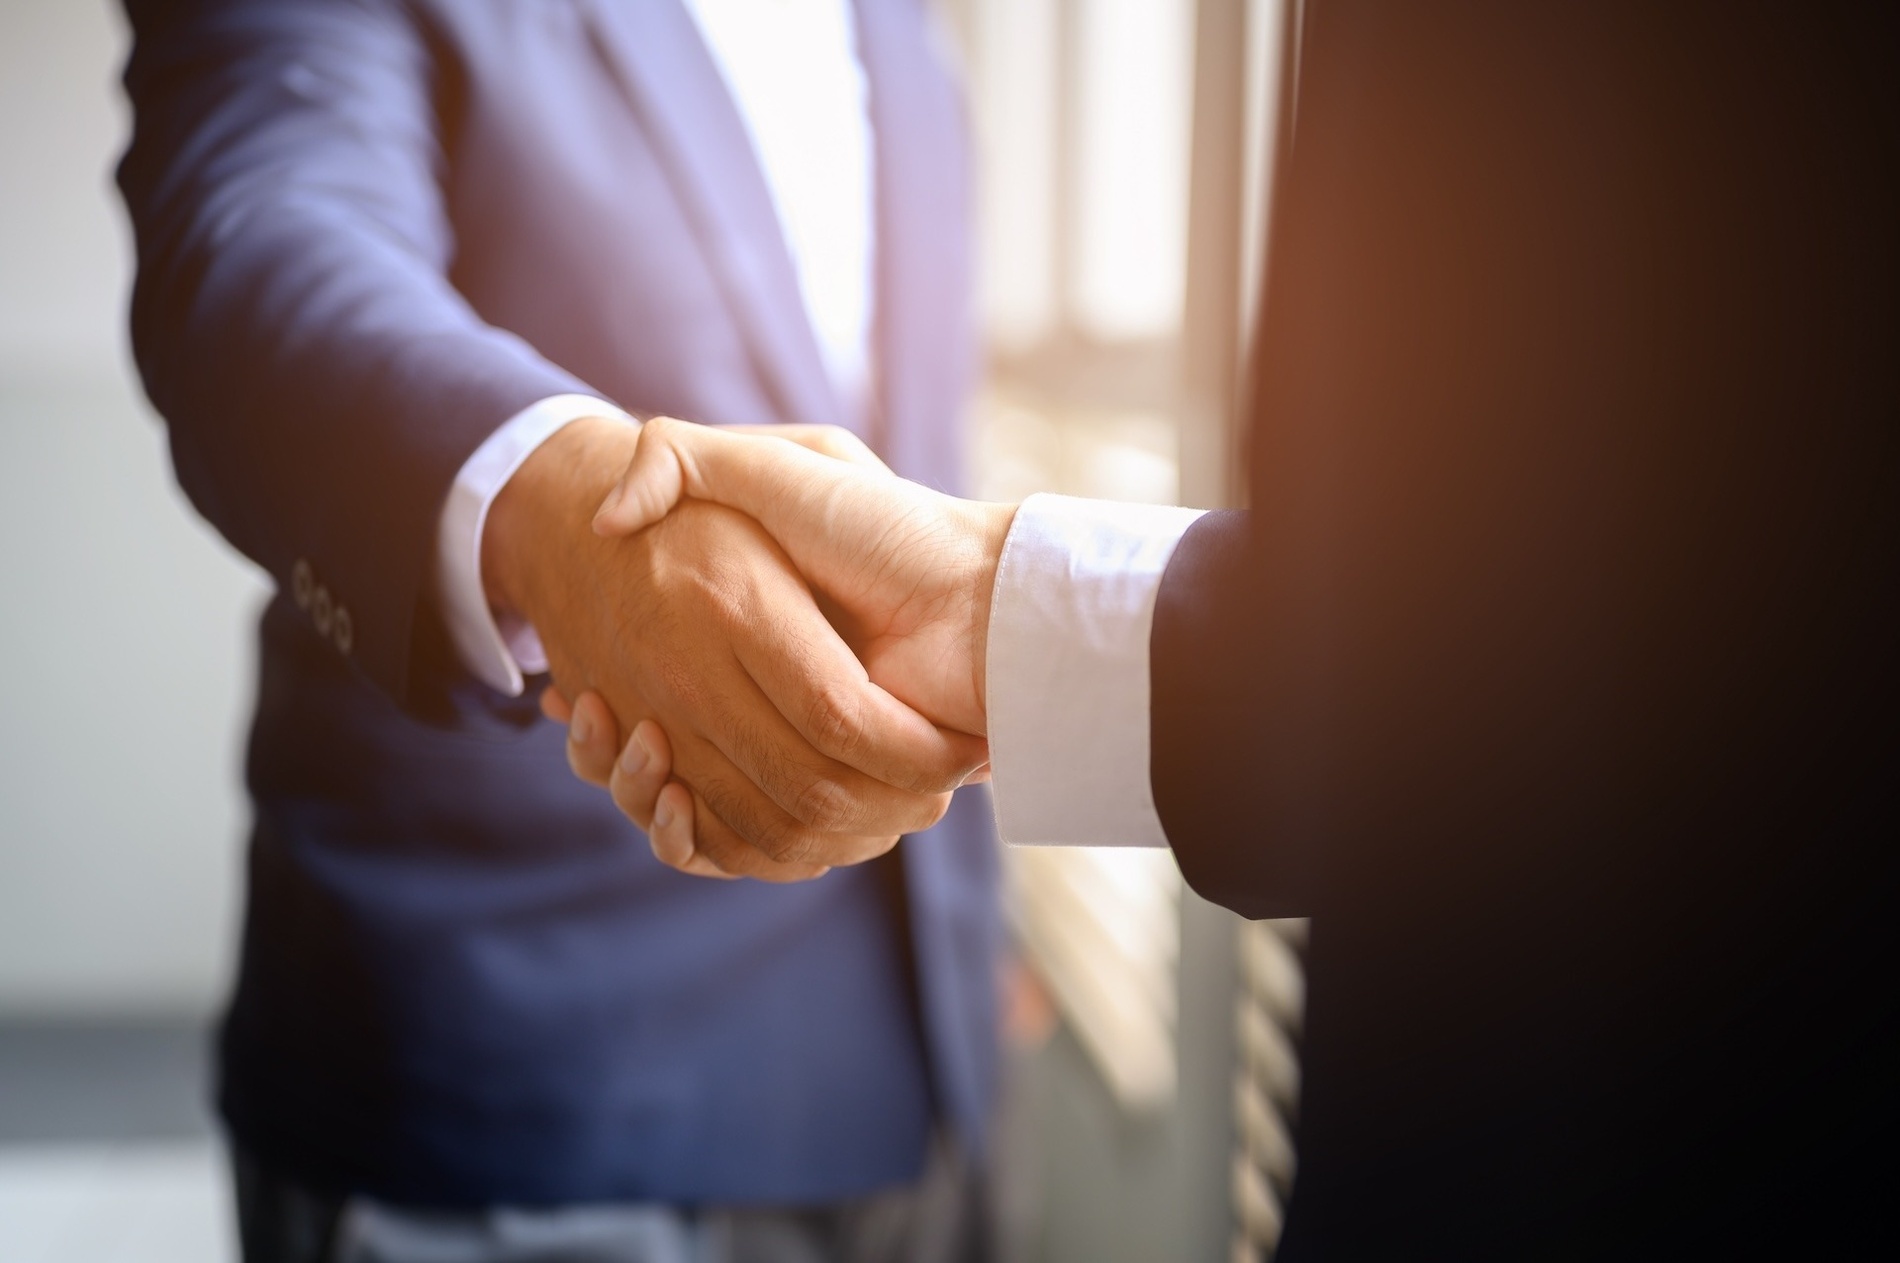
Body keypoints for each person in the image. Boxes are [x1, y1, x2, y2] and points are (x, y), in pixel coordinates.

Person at [556, 0, 1900, 1256]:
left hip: (961, 1050)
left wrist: (993, 637)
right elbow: (343, 281)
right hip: (573, 1070)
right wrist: (545, 506)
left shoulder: (902, 42)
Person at [115, 1, 1003, 1259]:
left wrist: (969, 937)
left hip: (909, 1060)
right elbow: (268, 244)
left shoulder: (901, 25)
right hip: (526, 1057)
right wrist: (560, 503)